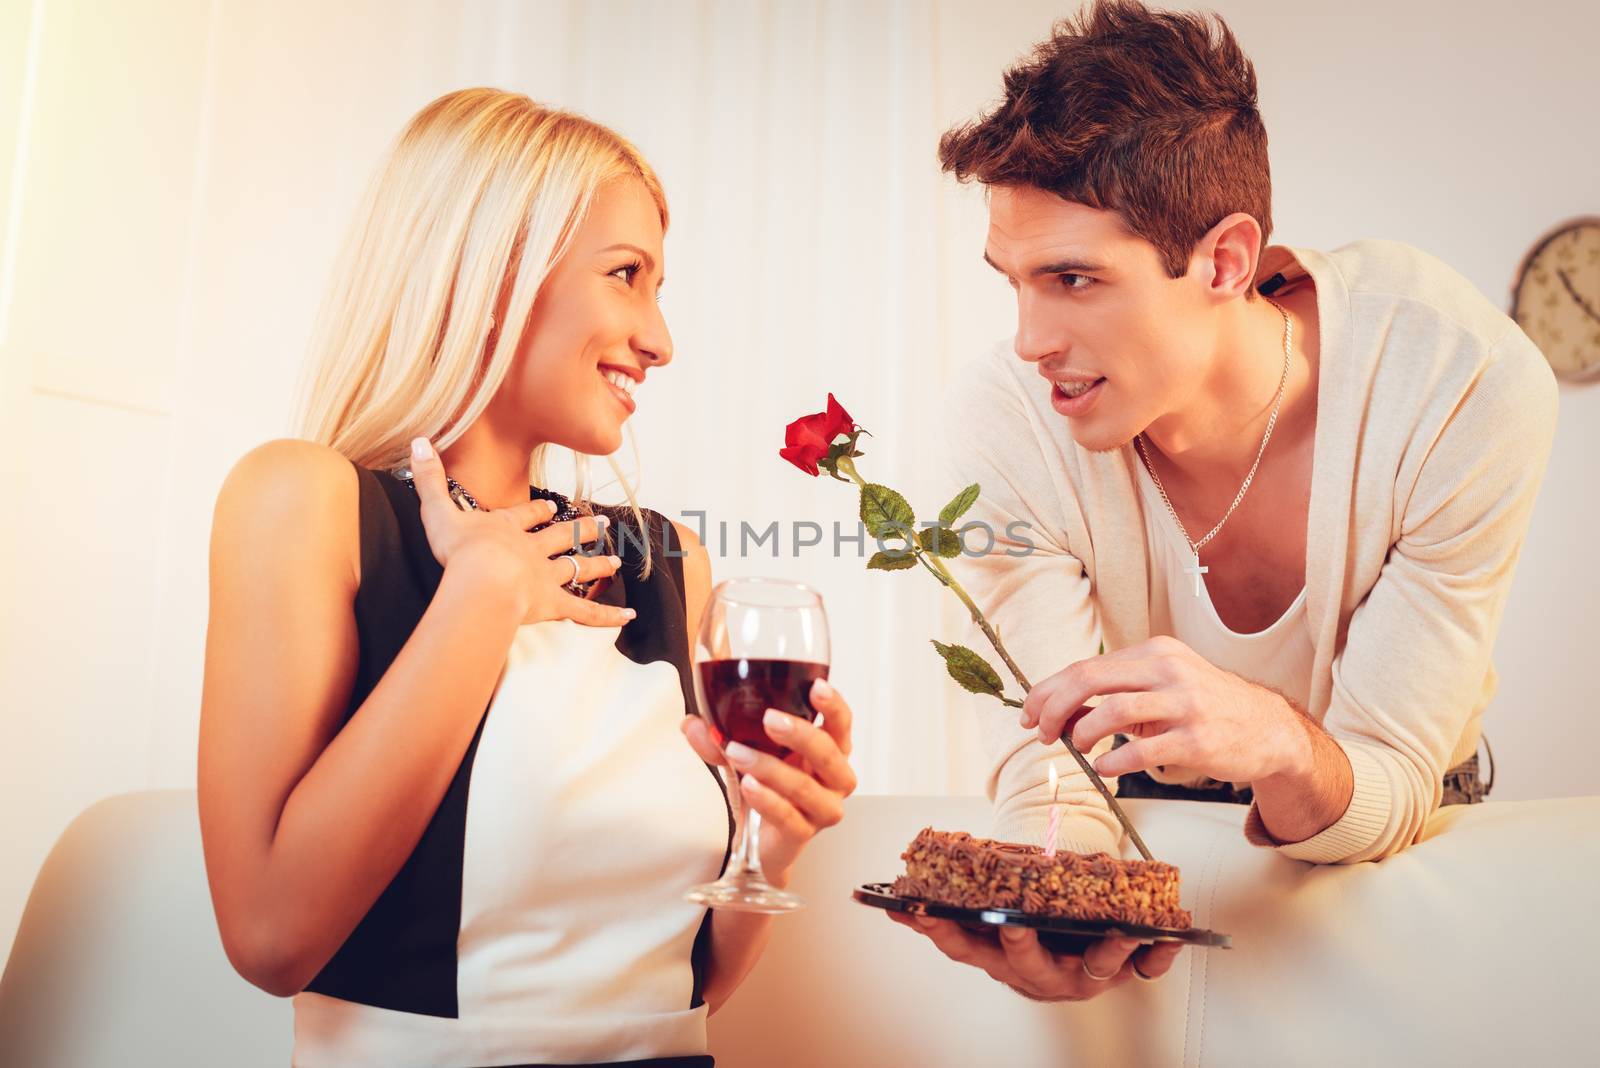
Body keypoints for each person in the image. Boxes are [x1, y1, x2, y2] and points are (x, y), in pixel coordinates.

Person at [889, 0, 1557, 1001]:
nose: (1029, 340)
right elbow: (1050, 771)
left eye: (1072, 278)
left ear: (1224, 261)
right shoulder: (1005, 418)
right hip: (1140, 811)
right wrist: (1053, 920)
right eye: (1015, 281)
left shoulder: (1457, 383)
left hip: (1388, 829)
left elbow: (1389, 777)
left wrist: (1277, 737)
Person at [197, 88, 858, 1067]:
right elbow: (270, 941)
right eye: (626, 276)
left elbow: (688, 982)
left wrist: (771, 839)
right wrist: (477, 605)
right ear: (492, 275)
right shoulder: (307, 501)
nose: (660, 339)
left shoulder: (668, 560)